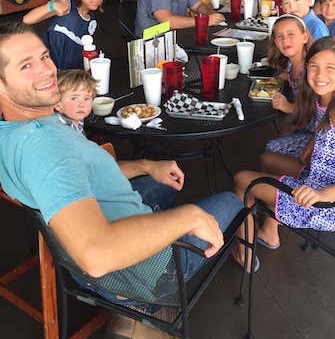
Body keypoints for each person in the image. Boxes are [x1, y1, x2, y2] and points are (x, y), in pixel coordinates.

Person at [0, 22, 244, 306]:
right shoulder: (44, 147)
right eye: (25, 66)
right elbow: (96, 255)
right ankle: (140, 313)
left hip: (89, 249)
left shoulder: (16, 130)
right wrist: (188, 217)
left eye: (44, 56)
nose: (46, 69)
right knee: (233, 201)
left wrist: (146, 166)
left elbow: (84, 171)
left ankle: (153, 220)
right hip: (143, 276)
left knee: (163, 185)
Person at [233, 36, 335, 268]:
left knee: (242, 180)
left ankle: (244, 255)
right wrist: (314, 140)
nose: (320, 74)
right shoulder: (327, 97)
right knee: (267, 159)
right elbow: (329, 128)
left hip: (331, 203)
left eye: (330, 68)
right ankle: (270, 231)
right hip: (320, 175)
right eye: (314, 66)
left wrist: (322, 195)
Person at [55, 68, 178, 211]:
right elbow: (92, 176)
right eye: (74, 98)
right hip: (96, 201)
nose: (82, 104)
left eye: (87, 98)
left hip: (100, 187)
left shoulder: (75, 121)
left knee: (167, 183)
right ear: (57, 104)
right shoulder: (63, 135)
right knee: (168, 187)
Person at [23, 0, 106, 71]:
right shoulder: (67, 6)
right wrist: (52, 6)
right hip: (50, 69)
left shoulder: (91, 22)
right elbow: (27, 19)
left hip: (72, 73)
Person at [267, 15, 312, 116]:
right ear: (276, 42)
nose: (285, 40)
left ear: (304, 38)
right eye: (280, 36)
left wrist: (289, 107)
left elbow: (317, 108)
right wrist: (287, 77)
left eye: (291, 34)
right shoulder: (290, 64)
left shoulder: (311, 68)